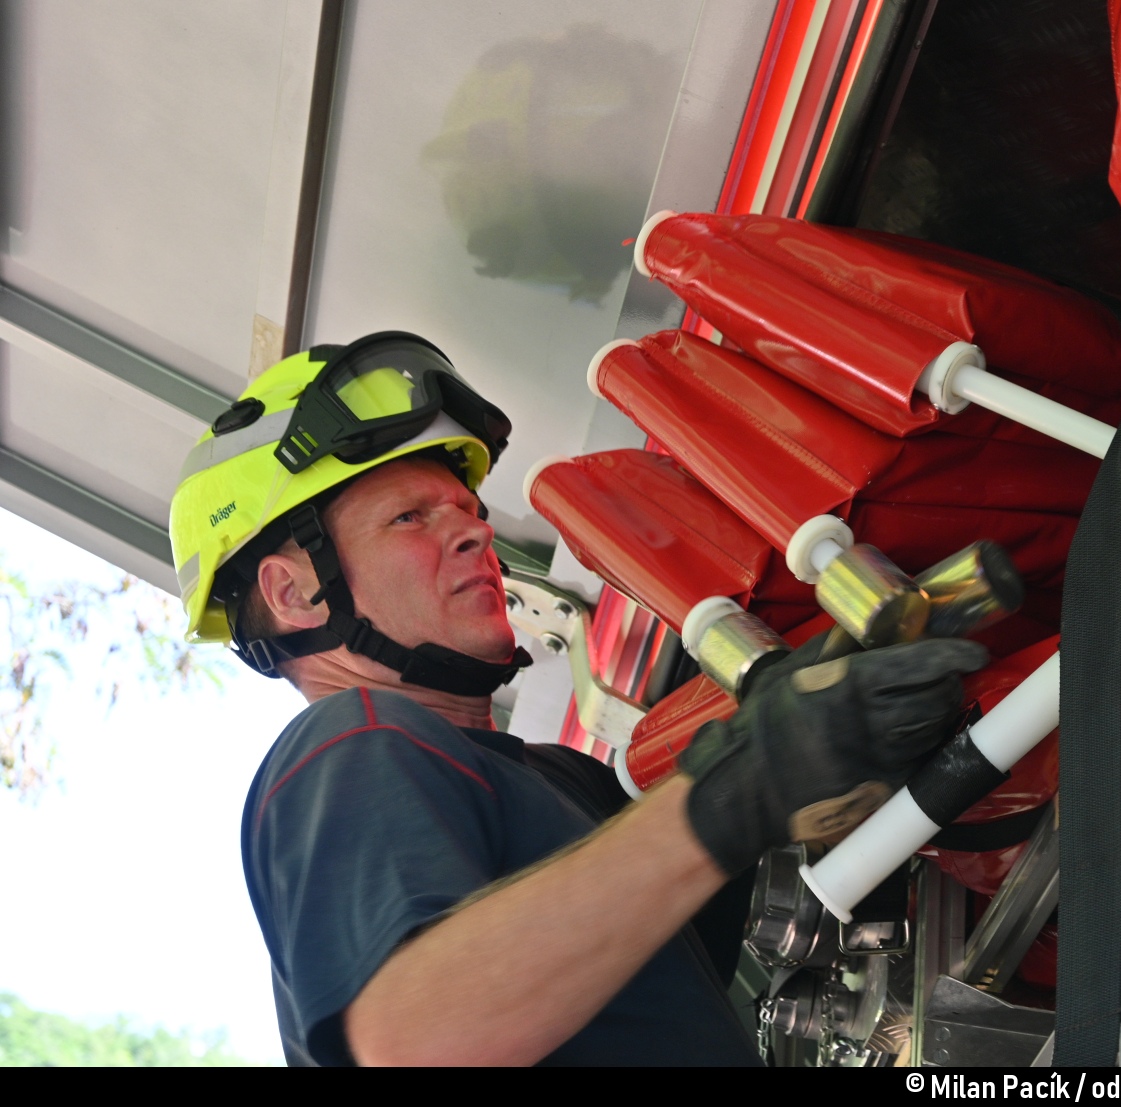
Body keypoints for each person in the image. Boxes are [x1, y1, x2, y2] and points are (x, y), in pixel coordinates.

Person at [169, 332, 987, 1066]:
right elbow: (413, 1044)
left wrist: (830, 722)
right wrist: (739, 787)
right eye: (409, 517)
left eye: (467, 508)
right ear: (296, 592)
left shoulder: (558, 781)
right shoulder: (351, 745)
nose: (475, 530)